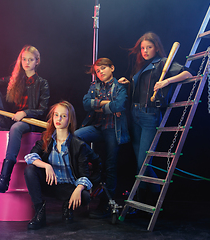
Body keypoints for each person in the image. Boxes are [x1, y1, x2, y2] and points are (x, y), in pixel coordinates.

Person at [118, 32, 194, 204]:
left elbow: (188, 74)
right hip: (135, 114)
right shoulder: (141, 66)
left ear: (156, 48)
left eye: (149, 47)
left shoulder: (162, 62)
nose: (145, 51)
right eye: (143, 48)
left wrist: (166, 82)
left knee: (143, 162)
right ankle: (149, 199)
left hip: (149, 115)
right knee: (141, 164)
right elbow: (142, 89)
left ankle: (148, 199)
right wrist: (129, 83)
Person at [0, 45, 50, 193]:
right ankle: (2, 123)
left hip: (29, 122)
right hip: (11, 118)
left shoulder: (42, 83)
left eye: (31, 59)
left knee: (16, 128)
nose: (27, 62)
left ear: (37, 61)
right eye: (24, 59)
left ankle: (4, 179)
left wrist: (25, 113)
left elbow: (42, 109)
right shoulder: (15, 80)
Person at [23, 101, 100, 230]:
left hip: (67, 188)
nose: (58, 119)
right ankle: (39, 213)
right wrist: (46, 166)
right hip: (50, 184)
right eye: (56, 115)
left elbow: (84, 173)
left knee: (84, 196)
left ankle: (68, 207)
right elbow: (30, 157)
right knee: (30, 170)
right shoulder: (46, 139)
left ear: (69, 120)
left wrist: (79, 188)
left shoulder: (78, 144)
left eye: (63, 116)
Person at [74, 58, 130, 219]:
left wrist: (98, 106)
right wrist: (107, 104)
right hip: (98, 127)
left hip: (113, 130)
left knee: (111, 166)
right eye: (97, 71)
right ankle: (94, 163)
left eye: (103, 68)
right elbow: (85, 103)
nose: (100, 73)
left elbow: (119, 105)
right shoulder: (94, 86)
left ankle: (105, 203)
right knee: (77, 136)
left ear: (112, 68)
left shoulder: (120, 86)